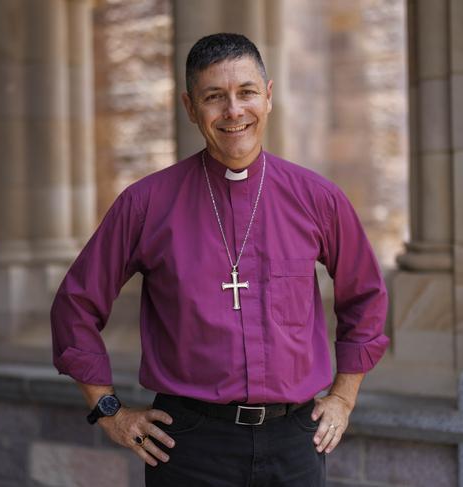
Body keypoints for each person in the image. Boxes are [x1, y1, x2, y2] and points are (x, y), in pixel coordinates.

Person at [50, 32, 390, 486]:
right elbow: (75, 305)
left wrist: (345, 397)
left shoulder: (317, 198)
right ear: (190, 108)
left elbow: (365, 295)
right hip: (187, 444)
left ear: (267, 97)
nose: (234, 111)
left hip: (294, 442)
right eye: (215, 97)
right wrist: (108, 410)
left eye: (246, 92)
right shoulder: (146, 203)